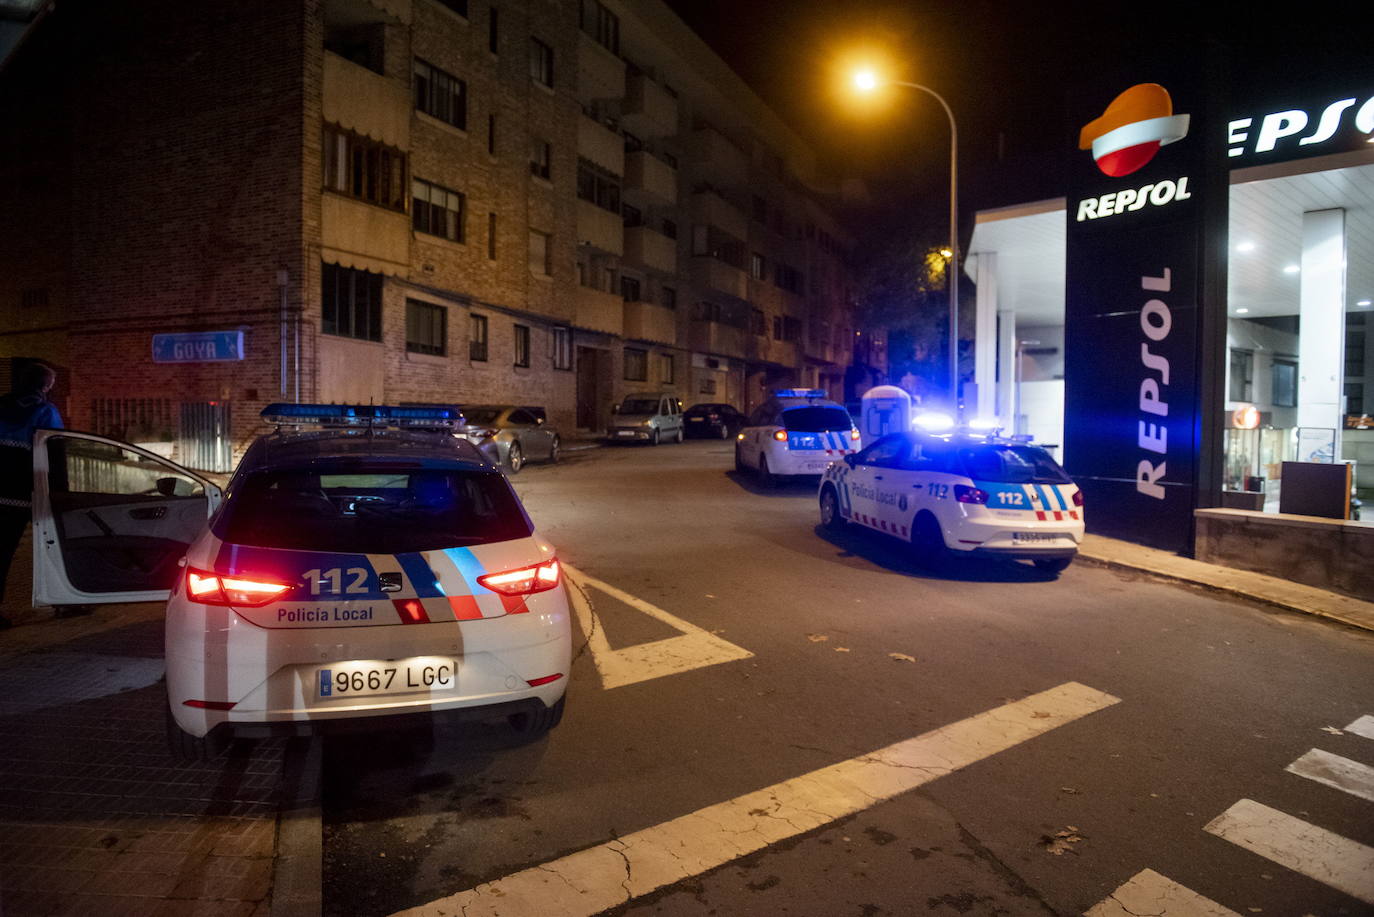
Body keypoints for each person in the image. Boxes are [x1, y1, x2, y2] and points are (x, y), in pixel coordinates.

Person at [0, 362, 63, 629]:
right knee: (54, 548)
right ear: (45, 386)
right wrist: (60, 493)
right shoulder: (45, 412)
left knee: (2, 554)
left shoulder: (1, 405)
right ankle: (66, 602)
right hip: (34, 494)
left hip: (1, 493)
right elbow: (57, 452)